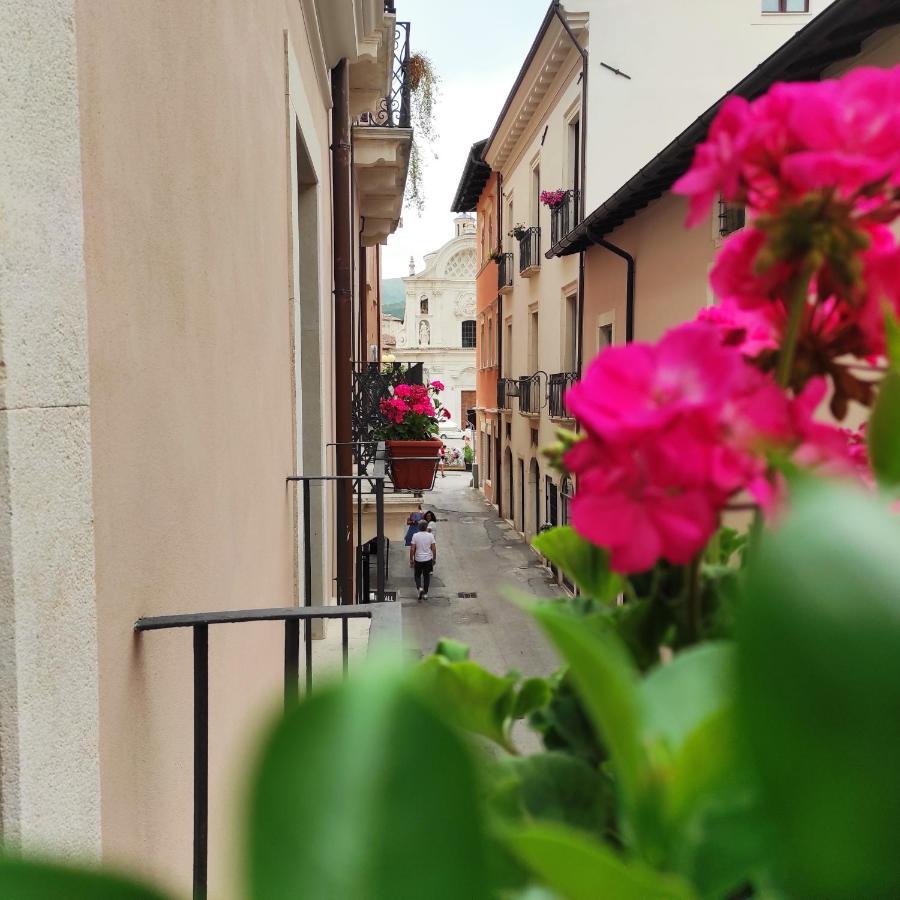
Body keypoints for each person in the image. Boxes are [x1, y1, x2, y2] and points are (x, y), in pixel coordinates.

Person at [409, 519, 436, 601]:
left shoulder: (415, 536)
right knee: (426, 576)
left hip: (418, 559)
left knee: (417, 575)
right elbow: (434, 548)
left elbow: (412, 549)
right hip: (428, 559)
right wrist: (434, 558)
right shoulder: (430, 535)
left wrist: (411, 559)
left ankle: (419, 588)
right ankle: (426, 594)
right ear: (426, 527)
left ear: (419, 527)